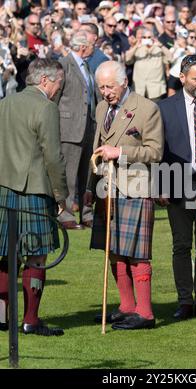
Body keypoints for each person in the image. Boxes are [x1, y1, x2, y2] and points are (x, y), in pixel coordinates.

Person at [86, 61, 164, 330]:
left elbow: (155, 152)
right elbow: (96, 148)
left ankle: (145, 313)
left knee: (137, 254)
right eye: (101, 87)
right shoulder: (100, 108)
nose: (106, 92)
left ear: (124, 82)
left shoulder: (147, 108)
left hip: (135, 188)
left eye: (110, 86)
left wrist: (120, 153)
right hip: (105, 190)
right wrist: (89, 187)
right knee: (115, 251)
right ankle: (126, 307)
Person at [0, 58, 68, 336]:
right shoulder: (46, 107)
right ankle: (31, 320)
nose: (59, 89)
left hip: (3, 189)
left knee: (3, 255)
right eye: (59, 83)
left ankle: (2, 318)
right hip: (34, 192)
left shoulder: (4, 103)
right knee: (36, 257)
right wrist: (61, 196)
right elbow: (53, 156)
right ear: (45, 81)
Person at [158, 55, 196, 321]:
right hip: (178, 181)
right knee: (181, 245)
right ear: (182, 78)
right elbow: (160, 150)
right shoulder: (165, 108)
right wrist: (160, 185)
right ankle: (185, 301)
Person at [57, 31, 97, 229]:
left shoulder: (86, 66)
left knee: (86, 175)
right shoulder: (64, 65)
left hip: (88, 127)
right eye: (91, 44)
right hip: (69, 129)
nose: (93, 47)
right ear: (82, 47)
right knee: (69, 175)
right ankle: (65, 216)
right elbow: (55, 98)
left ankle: (87, 213)